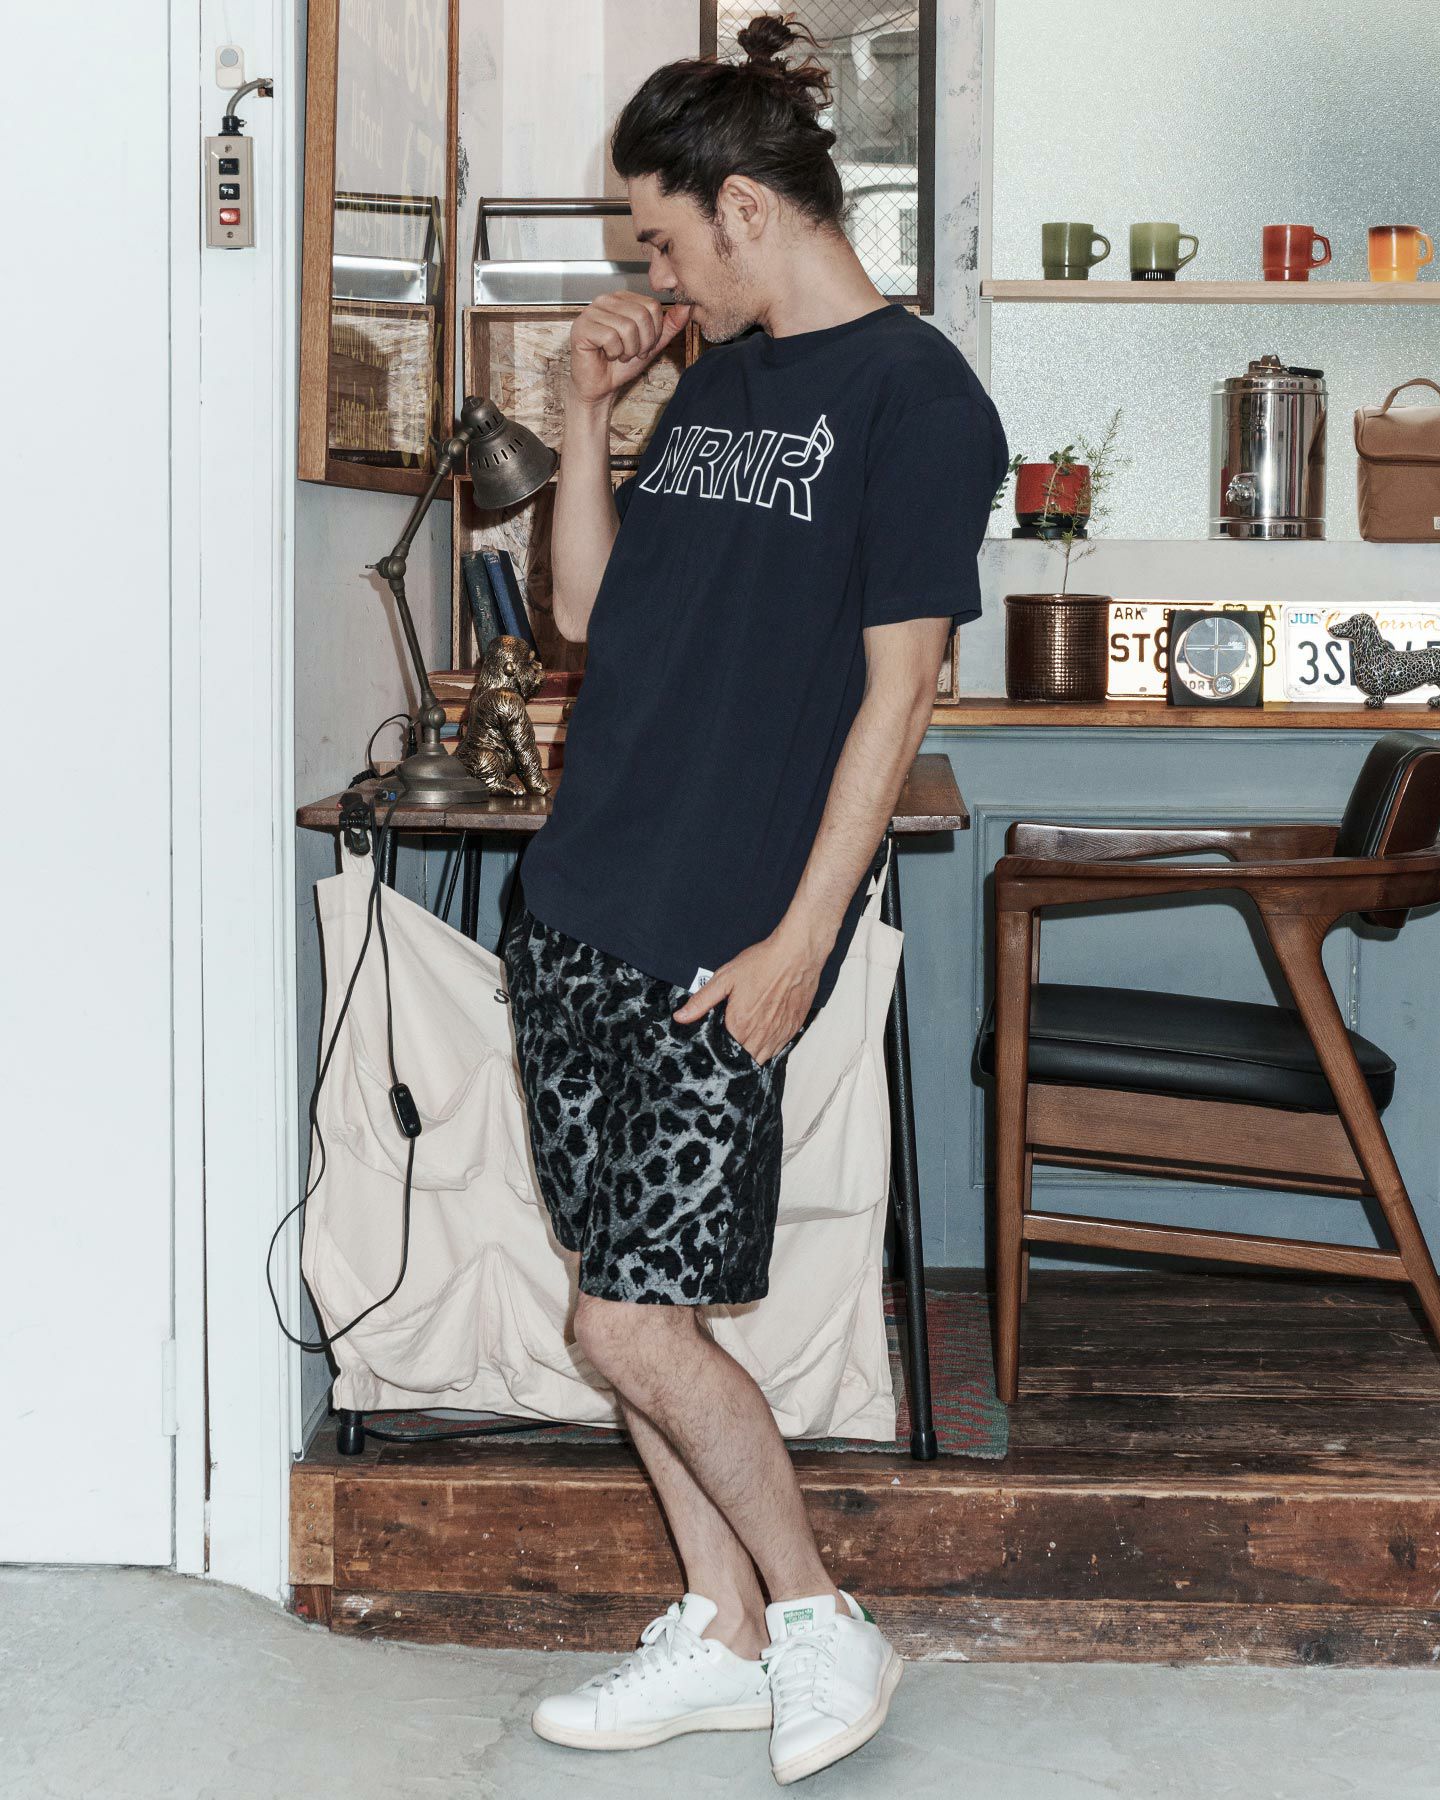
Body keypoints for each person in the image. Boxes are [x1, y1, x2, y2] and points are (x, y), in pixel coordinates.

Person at [501, 11, 1006, 1786]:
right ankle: (720, 1630)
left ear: (741, 207)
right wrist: (585, 414)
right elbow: (586, 614)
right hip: (582, 898)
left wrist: (802, 936)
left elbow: (901, 693)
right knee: (633, 1303)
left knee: (622, 1324)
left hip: (720, 936)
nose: (653, 279)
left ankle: (815, 1616)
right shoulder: (716, 380)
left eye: (660, 242)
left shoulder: (916, 399)